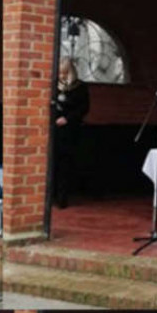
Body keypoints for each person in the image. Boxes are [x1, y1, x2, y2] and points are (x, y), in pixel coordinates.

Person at [53, 57, 89, 208]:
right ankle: (51, 195)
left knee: (65, 164)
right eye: (60, 73)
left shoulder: (80, 87)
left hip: (70, 131)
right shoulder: (54, 85)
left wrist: (67, 119)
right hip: (54, 130)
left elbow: (84, 108)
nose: (61, 76)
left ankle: (62, 197)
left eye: (64, 73)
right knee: (53, 164)